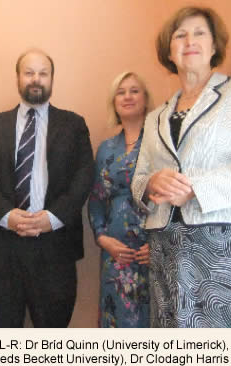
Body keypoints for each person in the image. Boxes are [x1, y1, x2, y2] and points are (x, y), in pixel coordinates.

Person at [131, 6, 231, 328]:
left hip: (228, 244)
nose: (189, 40)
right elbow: (139, 178)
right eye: (180, 35)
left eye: (199, 33)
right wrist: (151, 184)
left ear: (214, 45)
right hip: (167, 247)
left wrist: (197, 187)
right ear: (169, 49)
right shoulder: (155, 117)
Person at [0, 48, 94, 328]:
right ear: (18, 78)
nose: (36, 79)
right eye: (29, 73)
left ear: (52, 78)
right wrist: (7, 215)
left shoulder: (74, 125)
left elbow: (84, 176)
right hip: (1, 250)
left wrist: (52, 218)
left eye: (43, 73)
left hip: (55, 250)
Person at [88, 71, 151, 328]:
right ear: (114, 102)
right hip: (115, 254)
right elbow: (96, 199)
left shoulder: (159, 142)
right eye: (121, 92)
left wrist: (161, 245)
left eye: (134, 90)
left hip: (150, 252)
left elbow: (174, 199)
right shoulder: (106, 148)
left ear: (146, 99)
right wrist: (102, 238)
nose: (127, 96)